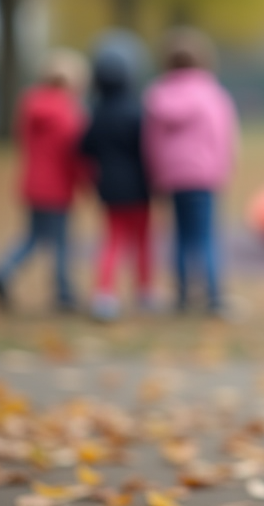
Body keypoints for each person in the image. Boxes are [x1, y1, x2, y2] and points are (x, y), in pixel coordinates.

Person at [143, 28, 238, 315]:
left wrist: (156, 175)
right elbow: (222, 136)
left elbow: (151, 142)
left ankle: (182, 296)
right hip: (204, 176)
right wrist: (223, 169)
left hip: (173, 178)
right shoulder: (211, 94)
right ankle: (212, 296)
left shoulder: (156, 96)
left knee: (180, 236)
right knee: (206, 236)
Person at [0, 50, 88, 313]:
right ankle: (64, 293)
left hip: (32, 182)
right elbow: (74, 153)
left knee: (34, 236)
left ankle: (2, 269)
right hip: (57, 186)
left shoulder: (31, 104)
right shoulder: (67, 111)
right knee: (61, 241)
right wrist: (85, 181)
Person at [80, 42, 153, 320]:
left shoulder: (95, 113)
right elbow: (148, 149)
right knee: (143, 240)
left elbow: (84, 147)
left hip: (108, 187)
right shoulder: (137, 111)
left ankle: (104, 294)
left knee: (111, 240)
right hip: (139, 186)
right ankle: (144, 291)